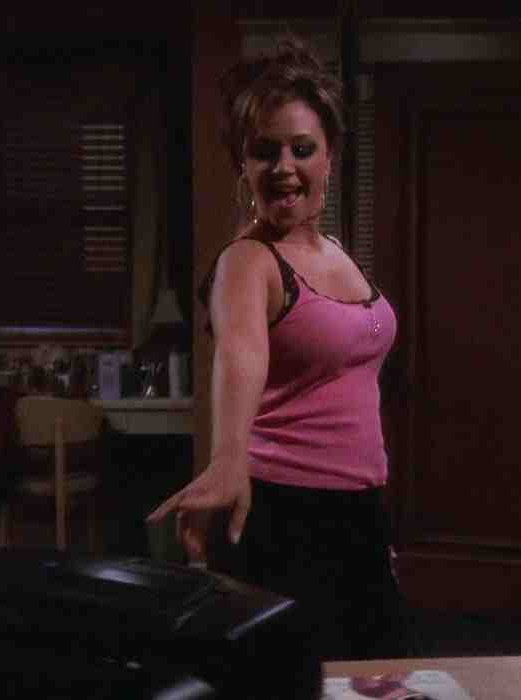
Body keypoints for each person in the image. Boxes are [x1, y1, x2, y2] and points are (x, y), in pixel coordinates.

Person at [147, 39, 408, 661]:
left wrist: (371, 527)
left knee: (376, 679)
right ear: (243, 165)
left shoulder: (334, 252)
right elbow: (240, 356)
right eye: (265, 151)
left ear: (330, 157)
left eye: (301, 148)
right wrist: (227, 458)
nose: (284, 166)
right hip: (284, 515)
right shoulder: (247, 262)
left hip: (358, 512)